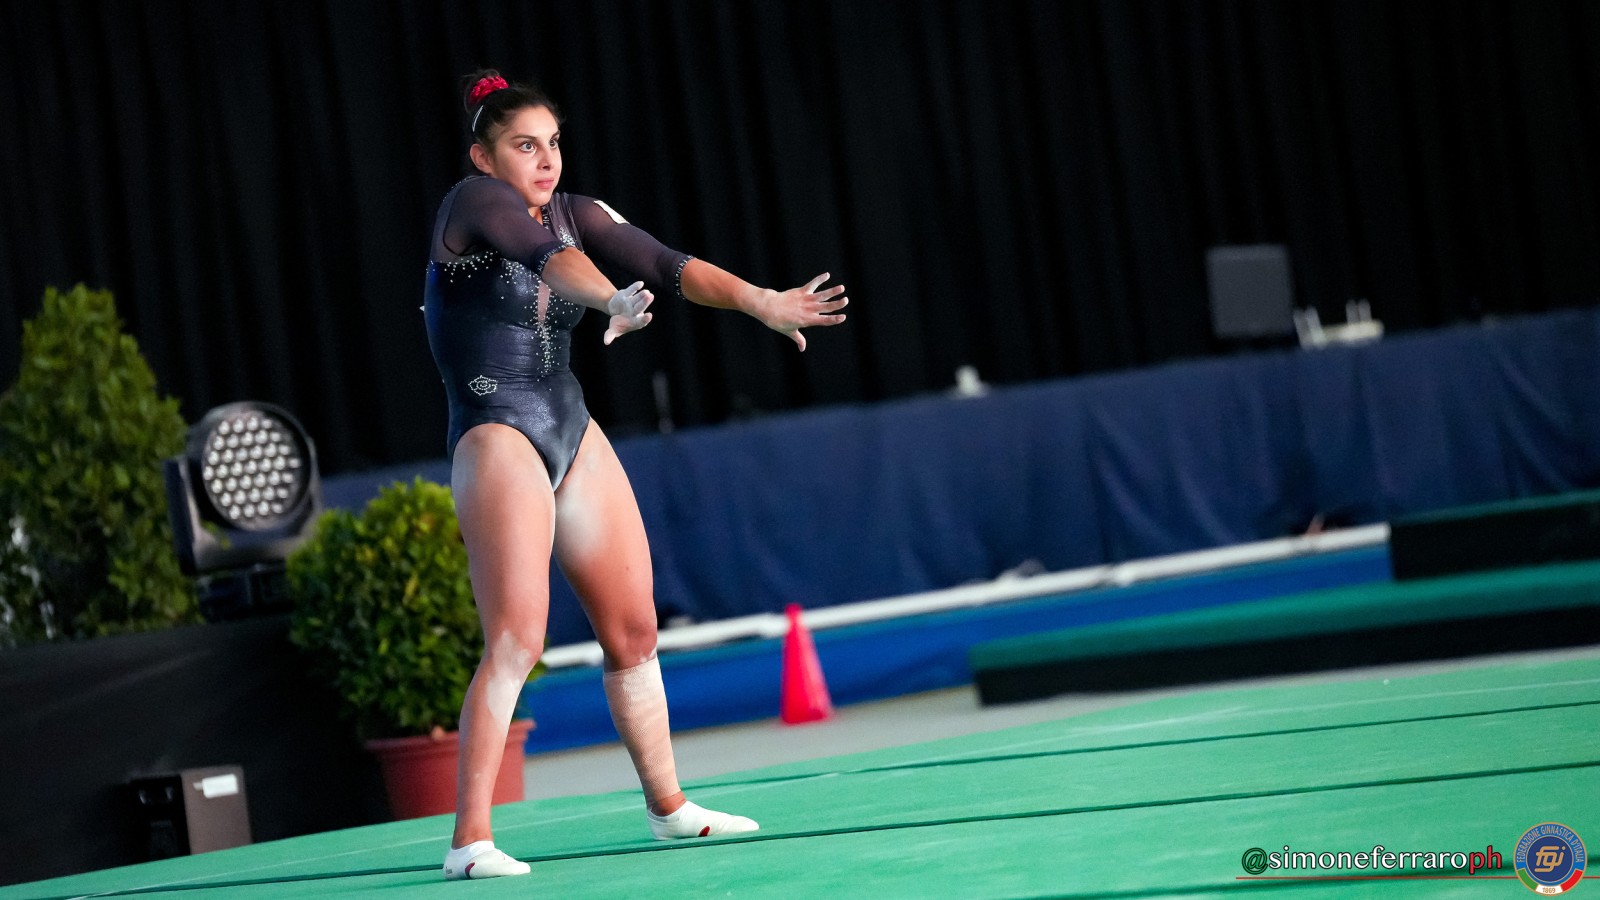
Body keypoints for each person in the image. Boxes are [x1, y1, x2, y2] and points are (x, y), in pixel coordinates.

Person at [424, 70, 848, 881]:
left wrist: (760, 300)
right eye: (524, 146)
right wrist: (613, 300)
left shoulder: (576, 210)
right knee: (516, 639)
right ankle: (470, 840)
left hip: (568, 423)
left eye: (553, 143)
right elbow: (549, 261)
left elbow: (668, 263)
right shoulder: (473, 204)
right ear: (484, 157)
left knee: (634, 631)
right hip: (497, 430)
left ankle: (668, 807)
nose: (545, 159)